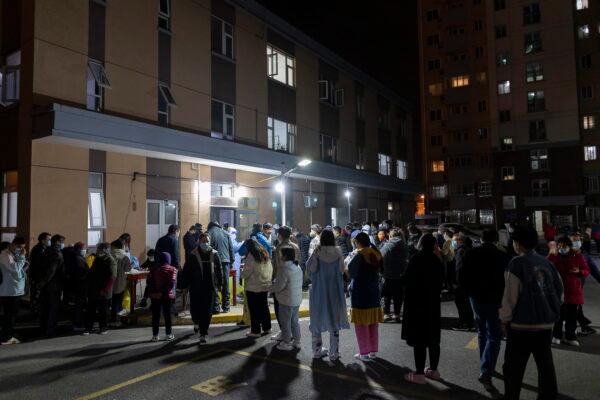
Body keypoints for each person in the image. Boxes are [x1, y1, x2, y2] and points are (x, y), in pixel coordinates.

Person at [500, 225, 563, 400]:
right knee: (545, 367)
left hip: (521, 326)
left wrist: (504, 320)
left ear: (518, 244)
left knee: (513, 368)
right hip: (545, 324)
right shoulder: (547, 263)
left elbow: (509, 297)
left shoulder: (516, 264)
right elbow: (560, 292)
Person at [460, 229, 511, 393]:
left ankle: (485, 363)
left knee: (482, 330)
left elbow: (462, 276)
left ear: (481, 239)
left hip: (476, 298)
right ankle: (486, 369)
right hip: (495, 299)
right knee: (494, 335)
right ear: (496, 240)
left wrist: (469, 293)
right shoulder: (502, 256)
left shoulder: (471, 253)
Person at [402, 233, 444, 384]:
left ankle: (419, 373)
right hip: (433, 304)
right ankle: (433, 370)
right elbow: (442, 281)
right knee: (433, 338)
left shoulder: (416, 259)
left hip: (417, 303)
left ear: (420, 244)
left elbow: (406, 280)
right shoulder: (437, 260)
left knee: (419, 339)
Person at [306, 229, 349, 362]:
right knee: (334, 320)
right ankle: (333, 352)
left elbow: (310, 268)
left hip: (319, 291)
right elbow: (342, 269)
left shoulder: (317, 251)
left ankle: (317, 350)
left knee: (317, 318)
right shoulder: (338, 251)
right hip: (335, 291)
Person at [347, 232, 384, 362]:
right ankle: (373, 351)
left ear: (358, 242)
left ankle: (364, 353)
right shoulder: (375, 252)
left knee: (361, 325)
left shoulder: (360, 254)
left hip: (360, 293)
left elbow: (350, 271)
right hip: (373, 292)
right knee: (373, 324)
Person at [180, 233, 223, 343]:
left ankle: (203, 333)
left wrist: (220, 284)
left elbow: (219, 270)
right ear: (199, 242)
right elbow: (186, 271)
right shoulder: (193, 254)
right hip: (196, 287)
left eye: (207, 241)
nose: (206, 243)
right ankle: (196, 322)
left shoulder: (214, 254)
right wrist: (184, 286)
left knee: (207, 311)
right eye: (203, 241)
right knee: (195, 309)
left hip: (209, 288)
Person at [547, 236, 590, 346]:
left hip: (573, 289)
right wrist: (551, 254)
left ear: (569, 245)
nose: (561, 247)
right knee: (559, 315)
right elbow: (545, 266)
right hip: (559, 290)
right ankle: (557, 335)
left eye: (563, 245)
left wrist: (579, 271)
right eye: (559, 246)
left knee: (572, 315)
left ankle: (570, 337)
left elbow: (586, 270)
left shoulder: (577, 255)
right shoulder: (555, 256)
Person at [270, 247, 303, 350]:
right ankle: (297, 341)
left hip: (286, 300)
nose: (280, 256)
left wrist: (269, 287)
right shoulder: (297, 267)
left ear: (284, 256)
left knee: (285, 322)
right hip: (296, 299)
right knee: (294, 321)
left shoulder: (284, 269)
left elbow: (279, 286)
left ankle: (286, 343)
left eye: (281, 254)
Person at [240, 238, 273, 338]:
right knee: (264, 307)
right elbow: (271, 268)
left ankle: (255, 331)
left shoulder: (251, 256)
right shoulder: (264, 253)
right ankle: (267, 328)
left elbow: (247, 272)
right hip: (265, 284)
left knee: (254, 309)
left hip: (253, 286)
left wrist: (242, 273)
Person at [569, 231, 600, 335]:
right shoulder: (564, 254)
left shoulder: (585, 256)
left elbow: (595, 271)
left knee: (576, 307)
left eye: (578, 240)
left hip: (577, 288)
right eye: (574, 240)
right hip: (564, 287)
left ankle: (582, 327)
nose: (576, 242)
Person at [83, 243, 116, 336]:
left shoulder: (110, 260)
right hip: (93, 288)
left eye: (99, 249)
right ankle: (88, 328)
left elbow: (112, 277)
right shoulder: (97, 259)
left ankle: (103, 327)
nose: (97, 251)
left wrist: (105, 289)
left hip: (103, 290)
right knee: (90, 309)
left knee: (103, 311)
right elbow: (92, 272)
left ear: (105, 250)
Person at [0, 237, 27, 345]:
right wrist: (22, 257)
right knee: (9, 315)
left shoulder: (11, 254)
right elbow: (15, 269)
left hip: (14, 290)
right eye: (19, 247)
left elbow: (17, 270)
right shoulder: (5, 255)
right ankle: (6, 337)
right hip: (9, 291)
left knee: (11, 315)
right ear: (13, 244)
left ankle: (9, 334)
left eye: (22, 248)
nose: (20, 250)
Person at [379, 228, 408, 322]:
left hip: (387, 274)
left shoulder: (387, 245)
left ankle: (386, 314)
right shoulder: (404, 245)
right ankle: (397, 314)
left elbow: (380, 257)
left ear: (391, 236)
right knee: (398, 296)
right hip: (400, 274)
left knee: (386, 295)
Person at [39, 234, 66, 336]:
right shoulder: (57, 253)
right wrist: (44, 281)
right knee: (53, 308)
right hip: (54, 285)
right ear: (58, 242)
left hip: (46, 285)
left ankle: (44, 327)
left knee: (46, 307)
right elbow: (52, 271)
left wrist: (42, 283)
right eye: (62, 242)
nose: (63, 244)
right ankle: (51, 330)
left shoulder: (46, 250)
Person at [147, 252, 177, 341]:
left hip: (155, 296)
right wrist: (162, 292)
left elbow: (149, 282)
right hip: (167, 296)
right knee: (167, 316)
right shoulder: (172, 269)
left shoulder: (153, 269)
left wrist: (155, 292)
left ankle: (155, 335)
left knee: (155, 316)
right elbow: (171, 283)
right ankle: (168, 334)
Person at [207, 221, 235, 313]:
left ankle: (216, 307)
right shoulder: (226, 233)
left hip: (213, 262)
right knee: (225, 284)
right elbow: (231, 249)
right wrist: (231, 262)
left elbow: (206, 249)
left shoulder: (209, 233)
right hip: (225, 261)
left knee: (214, 283)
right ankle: (226, 307)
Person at [64, 242, 89, 332]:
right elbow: (80, 273)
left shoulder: (73, 257)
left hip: (75, 285)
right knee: (79, 305)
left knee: (77, 305)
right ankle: (78, 323)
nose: (85, 250)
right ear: (79, 249)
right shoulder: (78, 259)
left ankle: (77, 322)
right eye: (84, 249)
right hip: (79, 285)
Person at [452, 233, 475, 331]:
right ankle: (469, 322)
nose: (453, 242)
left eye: (454, 240)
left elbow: (459, 268)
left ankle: (464, 323)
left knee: (461, 303)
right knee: (467, 303)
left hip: (461, 283)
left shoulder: (460, 251)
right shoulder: (469, 250)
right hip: (468, 281)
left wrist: (457, 282)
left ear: (460, 241)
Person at [28, 232, 51, 316]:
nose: (49, 241)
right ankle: (34, 313)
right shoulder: (39, 249)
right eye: (48, 240)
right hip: (37, 277)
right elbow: (39, 265)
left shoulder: (41, 248)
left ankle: (35, 312)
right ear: (42, 240)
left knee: (36, 296)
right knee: (36, 296)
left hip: (36, 277)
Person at [110, 239, 132, 326]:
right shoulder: (125, 257)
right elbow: (128, 269)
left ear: (114, 247)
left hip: (110, 282)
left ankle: (113, 319)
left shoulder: (111, 256)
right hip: (121, 282)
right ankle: (117, 320)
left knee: (112, 302)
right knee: (118, 302)